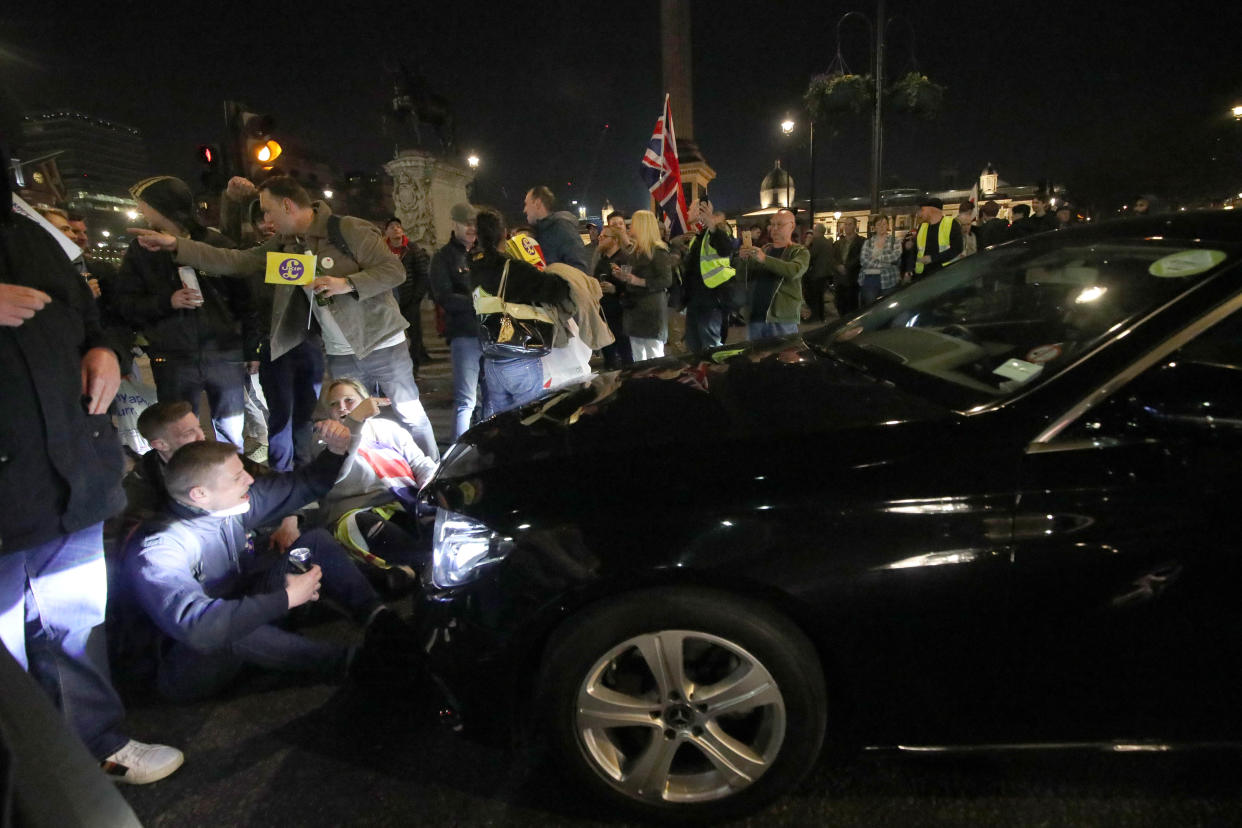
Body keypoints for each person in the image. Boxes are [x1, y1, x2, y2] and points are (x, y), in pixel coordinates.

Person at [1, 158, 183, 784]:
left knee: (78, 620)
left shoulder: (27, 233)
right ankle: (29, 777)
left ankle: (97, 745)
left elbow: (90, 312)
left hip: (67, 466)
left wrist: (104, 349)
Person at [128, 175, 440, 462]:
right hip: (340, 352)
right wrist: (176, 245)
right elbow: (238, 261)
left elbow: (393, 271)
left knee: (409, 413)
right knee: (352, 421)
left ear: (287, 205)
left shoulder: (346, 229)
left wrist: (345, 283)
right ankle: (369, 476)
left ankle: (434, 470)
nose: (267, 219)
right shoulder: (287, 246)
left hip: (383, 341)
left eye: (268, 210)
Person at [123, 427, 417, 701]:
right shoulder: (161, 546)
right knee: (227, 626)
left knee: (313, 541)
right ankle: (355, 664)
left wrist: (337, 450)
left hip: (234, 610)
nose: (249, 479)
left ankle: (379, 618)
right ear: (199, 494)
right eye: (237, 477)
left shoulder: (222, 506)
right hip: (188, 663)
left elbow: (302, 485)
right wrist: (286, 598)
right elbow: (199, 626)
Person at [114, 176, 260, 449]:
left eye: (144, 205)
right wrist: (167, 301)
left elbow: (246, 301)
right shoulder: (141, 250)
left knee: (231, 429)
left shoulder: (216, 242)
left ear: (164, 206)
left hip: (224, 353)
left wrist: (252, 349)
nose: (142, 212)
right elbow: (126, 304)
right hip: (173, 357)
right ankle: (189, 484)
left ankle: (232, 480)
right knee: (180, 435)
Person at [320, 378, 437, 573]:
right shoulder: (324, 438)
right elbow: (336, 474)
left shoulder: (387, 427)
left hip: (404, 500)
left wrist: (431, 488)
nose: (342, 407)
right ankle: (420, 565)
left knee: (438, 519)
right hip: (359, 512)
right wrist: (354, 423)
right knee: (362, 526)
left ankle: (405, 569)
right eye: (334, 404)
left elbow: (420, 463)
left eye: (349, 400)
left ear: (365, 401)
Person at [469, 207, 570, 416]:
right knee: (530, 419)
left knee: (499, 420)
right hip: (519, 358)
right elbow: (556, 290)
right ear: (504, 233)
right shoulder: (513, 268)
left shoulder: (474, 268)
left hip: (491, 359)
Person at [429, 202, 484, 441]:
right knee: (466, 400)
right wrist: (479, 302)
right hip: (464, 333)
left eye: (475, 224)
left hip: (490, 332)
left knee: (491, 395)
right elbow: (442, 296)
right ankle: (455, 454)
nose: (472, 228)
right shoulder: (443, 257)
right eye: (467, 223)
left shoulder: (483, 252)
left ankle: (487, 443)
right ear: (455, 224)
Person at [611, 210, 672, 360]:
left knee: (654, 356)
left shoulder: (658, 251)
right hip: (635, 310)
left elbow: (666, 280)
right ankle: (643, 382)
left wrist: (638, 281)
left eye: (633, 222)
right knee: (638, 356)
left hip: (651, 310)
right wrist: (622, 276)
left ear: (642, 226)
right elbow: (632, 276)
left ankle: (656, 383)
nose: (630, 225)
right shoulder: (635, 251)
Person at [739, 208, 808, 340]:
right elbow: (743, 277)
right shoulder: (765, 249)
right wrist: (743, 260)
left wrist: (764, 259)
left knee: (783, 356)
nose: (774, 228)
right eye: (772, 224)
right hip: (756, 317)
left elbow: (793, 271)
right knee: (755, 358)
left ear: (791, 226)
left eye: (779, 224)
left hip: (781, 319)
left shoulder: (799, 251)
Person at [681, 197, 737, 352]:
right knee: (694, 348)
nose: (687, 211)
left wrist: (711, 223)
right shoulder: (698, 236)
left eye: (690, 208)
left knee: (711, 349)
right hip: (695, 302)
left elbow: (726, 249)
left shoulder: (718, 229)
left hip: (711, 302)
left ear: (701, 211)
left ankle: (713, 376)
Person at [383, 217, 432, 373]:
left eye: (398, 226)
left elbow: (422, 274)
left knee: (414, 335)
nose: (396, 229)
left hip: (409, 299)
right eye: (391, 227)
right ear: (387, 232)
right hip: (389, 300)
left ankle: (414, 367)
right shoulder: (382, 250)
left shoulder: (412, 249)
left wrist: (416, 298)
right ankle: (397, 367)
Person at [592, 223, 633, 368]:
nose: (600, 238)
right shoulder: (601, 261)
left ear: (615, 240)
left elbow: (630, 284)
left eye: (604, 236)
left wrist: (615, 289)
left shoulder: (625, 259)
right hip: (604, 314)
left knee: (625, 353)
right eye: (600, 236)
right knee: (608, 355)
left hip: (620, 314)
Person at [523, 185, 588, 271]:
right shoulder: (539, 231)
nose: (524, 210)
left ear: (537, 203)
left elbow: (580, 269)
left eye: (526, 204)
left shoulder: (562, 227)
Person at [912, 197, 963, 279]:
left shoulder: (952, 224)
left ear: (931, 209)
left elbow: (957, 249)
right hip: (924, 276)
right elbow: (915, 250)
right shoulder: (922, 226)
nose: (919, 214)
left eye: (922, 210)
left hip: (947, 275)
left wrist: (932, 258)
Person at [858, 214, 902, 306]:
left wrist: (877, 258)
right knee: (870, 307)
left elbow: (895, 256)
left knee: (888, 305)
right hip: (870, 279)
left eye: (884, 224)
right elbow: (863, 260)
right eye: (879, 224)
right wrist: (884, 264)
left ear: (887, 226)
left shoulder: (894, 241)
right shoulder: (868, 242)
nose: (882, 227)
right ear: (874, 227)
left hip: (889, 279)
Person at [803, 222, 841, 322]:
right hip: (825, 274)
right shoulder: (827, 242)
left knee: (813, 297)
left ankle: (814, 317)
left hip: (816, 274)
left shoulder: (817, 242)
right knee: (819, 297)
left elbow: (809, 256)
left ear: (817, 231)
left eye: (814, 230)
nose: (812, 232)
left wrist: (806, 245)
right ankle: (820, 317)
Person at [833, 216, 863, 315]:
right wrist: (837, 266)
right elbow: (832, 258)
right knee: (840, 306)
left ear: (855, 226)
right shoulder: (838, 243)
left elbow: (860, 257)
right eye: (845, 224)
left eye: (850, 224)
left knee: (852, 308)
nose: (847, 226)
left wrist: (847, 267)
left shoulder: (861, 241)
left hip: (853, 279)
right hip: (839, 281)